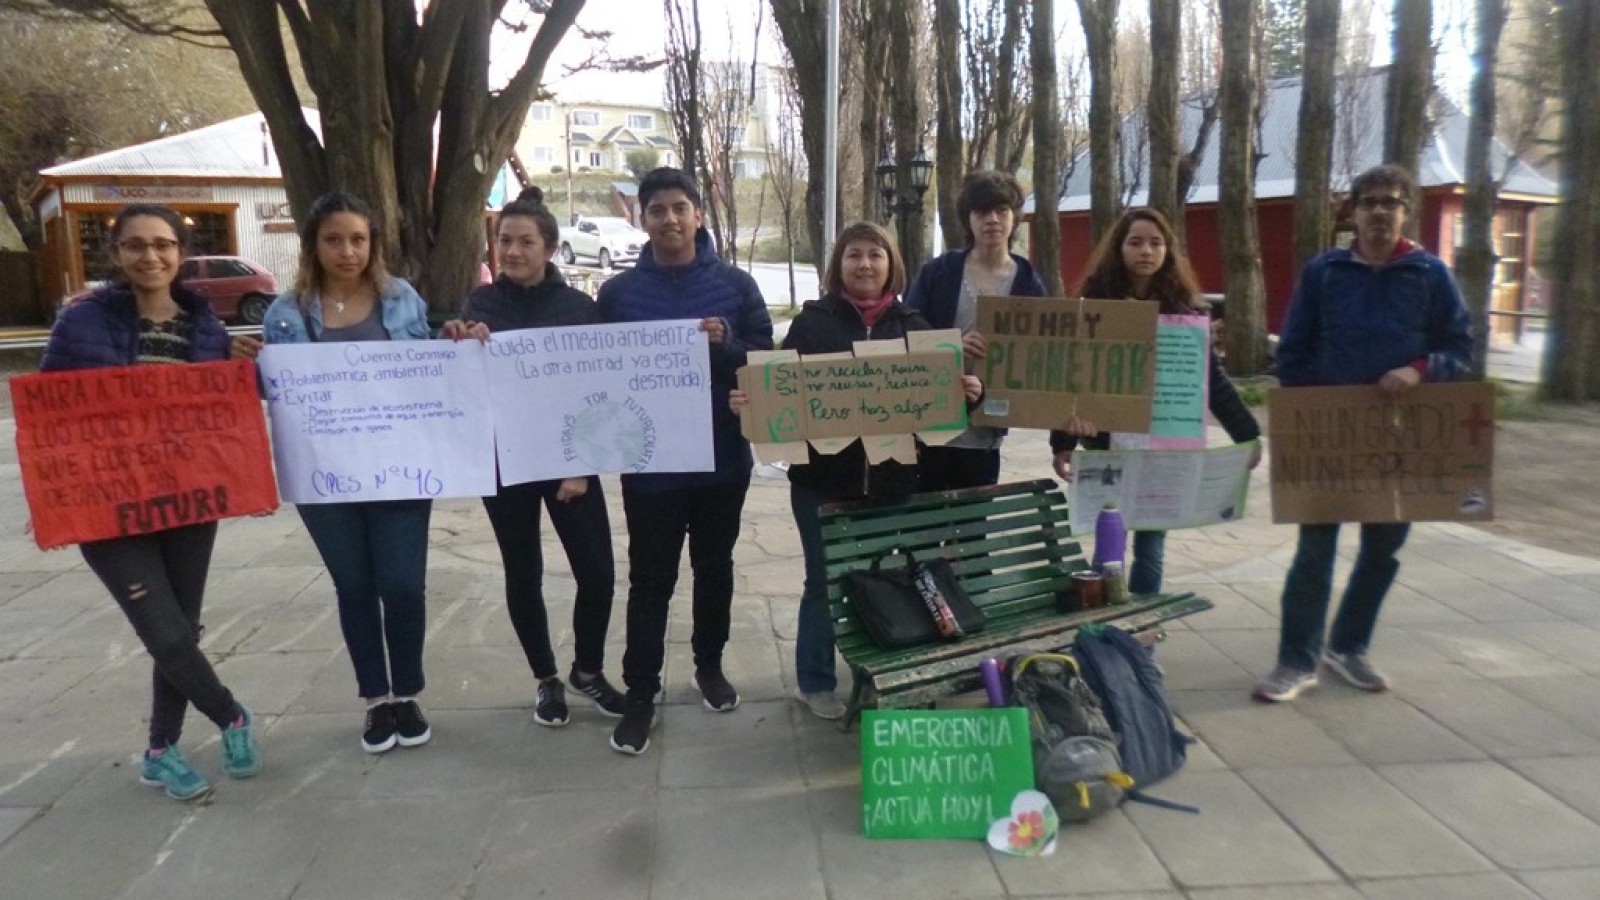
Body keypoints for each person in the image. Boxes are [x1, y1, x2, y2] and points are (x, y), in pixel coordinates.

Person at [42, 204, 262, 801]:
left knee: (181, 631)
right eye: (136, 245)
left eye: (163, 245)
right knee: (163, 634)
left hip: (187, 502)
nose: (151, 256)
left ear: (180, 255)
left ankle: (161, 750)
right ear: (116, 254)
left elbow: (222, 416)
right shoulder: (79, 324)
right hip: (108, 505)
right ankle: (231, 715)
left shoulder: (208, 328)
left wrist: (243, 371)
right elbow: (49, 415)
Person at [731, 222, 984, 720]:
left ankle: (878, 676)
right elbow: (778, 392)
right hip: (821, 483)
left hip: (893, 482)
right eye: (854, 255)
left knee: (884, 579)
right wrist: (751, 402)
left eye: (875, 254)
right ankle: (814, 680)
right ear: (838, 265)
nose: (864, 264)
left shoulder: (916, 328)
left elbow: (939, 414)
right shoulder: (811, 324)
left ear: (892, 265)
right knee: (822, 583)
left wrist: (968, 397)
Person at [1253, 164, 1472, 703]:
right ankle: (1296, 659)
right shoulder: (1325, 273)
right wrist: (1316, 408)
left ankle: (1348, 647)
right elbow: (1293, 350)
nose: (1378, 211)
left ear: (1406, 212)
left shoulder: (1430, 275)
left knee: (1383, 551)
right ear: (1352, 211)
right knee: (1314, 551)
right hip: (1331, 439)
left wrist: (1419, 371)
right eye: (1369, 201)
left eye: (1390, 202)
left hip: (1400, 438)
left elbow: (1460, 350)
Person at [236, 191, 436, 752]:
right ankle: (376, 699)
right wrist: (248, 371)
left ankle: (407, 693)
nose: (347, 251)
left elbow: (429, 374)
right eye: (334, 240)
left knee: (403, 585)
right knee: (354, 586)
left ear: (373, 244)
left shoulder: (402, 300)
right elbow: (277, 392)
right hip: (324, 476)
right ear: (313, 246)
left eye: (358, 239)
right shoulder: (284, 314)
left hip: (399, 468)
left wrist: (456, 350)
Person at [597, 167, 774, 755]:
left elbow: (768, 364)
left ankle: (709, 665)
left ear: (698, 215)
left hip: (722, 459)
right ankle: (640, 694)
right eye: (657, 210)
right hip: (649, 465)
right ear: (641, 219)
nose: (669, 219)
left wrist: (729, 346)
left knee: (714, 567)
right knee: (650, 580)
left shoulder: (736, 287)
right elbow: (594, 372)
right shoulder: (618, 295)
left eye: (680, 208)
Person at [439, 187, 626, 727]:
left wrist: (582, 465)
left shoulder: (579, 309)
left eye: (525, 241)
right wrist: (457, 342)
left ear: (549, 247)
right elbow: (466, 385)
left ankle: (587, 671)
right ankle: (546, 678)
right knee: (523, 572)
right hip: (506, 462)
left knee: (597, 572)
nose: (513, 251)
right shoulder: (480, 305)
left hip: (570, 462)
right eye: (504, 240)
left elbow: (598, 391)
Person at [1049, 207, 1262, 595]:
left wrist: (1247, 434)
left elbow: (1211, 382)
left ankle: (1144, 625)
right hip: (1108, 447)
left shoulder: (1184, 314)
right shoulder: (1093, 306)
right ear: (1119, 248)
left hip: (1164, 448)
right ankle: (1106, 619)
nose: (1146, 251)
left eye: (1155, 243)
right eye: (1135, 242)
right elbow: (1072, 378)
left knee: (1151, 548)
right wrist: (1062, 443)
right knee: (1109, 545)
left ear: (1168, 250)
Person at [904, 170, 1047, 491]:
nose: (992, 219)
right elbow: (905, 333)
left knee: (971, 522)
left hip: (984, 434)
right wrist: (950, 347)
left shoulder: (1029, 285)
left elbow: (1039, 360)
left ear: (1015, 218)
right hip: (930, 426)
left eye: (1001, 210)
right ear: (968, 219)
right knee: (923, 520)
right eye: (982, 211)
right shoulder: (938, 273)